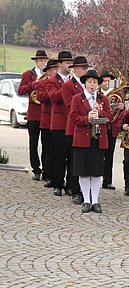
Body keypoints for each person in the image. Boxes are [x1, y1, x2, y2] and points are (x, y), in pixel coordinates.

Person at [70, 70, 112, 213]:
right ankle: (86, 200)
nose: (92, 84)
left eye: (94, 82)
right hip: (83, 138)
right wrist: (87, 118)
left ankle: (95, 201)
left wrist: (100, 113)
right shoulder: (77, 98)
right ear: (85, 83)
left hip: (98, 139)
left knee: (96, 171)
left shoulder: (103, 99)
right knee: (84, 171)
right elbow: (74, 117)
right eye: (89, 82)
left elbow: (109, 117)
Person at [61, 56, 89, 205]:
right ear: (74, 69)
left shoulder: (90, 85)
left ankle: (87, 190)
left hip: (90, 128)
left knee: (86, 160)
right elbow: (69, 107)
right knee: (74, 160)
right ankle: (74, 189)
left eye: (86, 68)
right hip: (75, 127)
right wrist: (88, 115)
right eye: (82, 68)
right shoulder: (68, 86)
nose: (85, 70)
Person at [18, 49, 49, 181]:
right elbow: (21, 90)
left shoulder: (49, 75)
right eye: (40, 60)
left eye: (44, 60)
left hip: (46, 113)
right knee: (33, 143)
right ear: (36, 61)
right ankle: (36, 169)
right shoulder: (28, 74)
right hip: (34, 113)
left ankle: (47, 170)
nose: (42, 63)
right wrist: (34, 84)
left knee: (47, 144)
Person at [46, 51, 73, 196]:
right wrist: (67, 86)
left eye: (71, 63)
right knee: (59, 155)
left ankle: (70, 184)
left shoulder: (76, 80)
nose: (70, 65)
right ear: (60, 64)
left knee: (72, 156)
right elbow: (54, 97)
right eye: (68, 63)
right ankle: (57, 183)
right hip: (59, 123)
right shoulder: (52, 81)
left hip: (72, 123)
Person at [99, 70, 125, 190]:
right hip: (99, 126)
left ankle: (107, 180)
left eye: (108, 81)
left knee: (109, 156)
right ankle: (95, 177)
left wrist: (121, 107)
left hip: (111, 128)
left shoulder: (117, 94)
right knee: (98, 155)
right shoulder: (97, 93)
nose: (106, 83)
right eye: (104, 81)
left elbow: (120, 114)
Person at [36, 59, 58, 189]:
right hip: (46, 121)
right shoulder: (41, 83)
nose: (56, 71)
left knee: (58, 151)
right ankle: (47, 174)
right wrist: (52, 93)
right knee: (48, 150)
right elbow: (40, 97)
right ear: (48, 71)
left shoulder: (62, 83)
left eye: (57, 68)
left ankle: (57, 175)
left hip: (59, 122)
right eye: (54, 69)